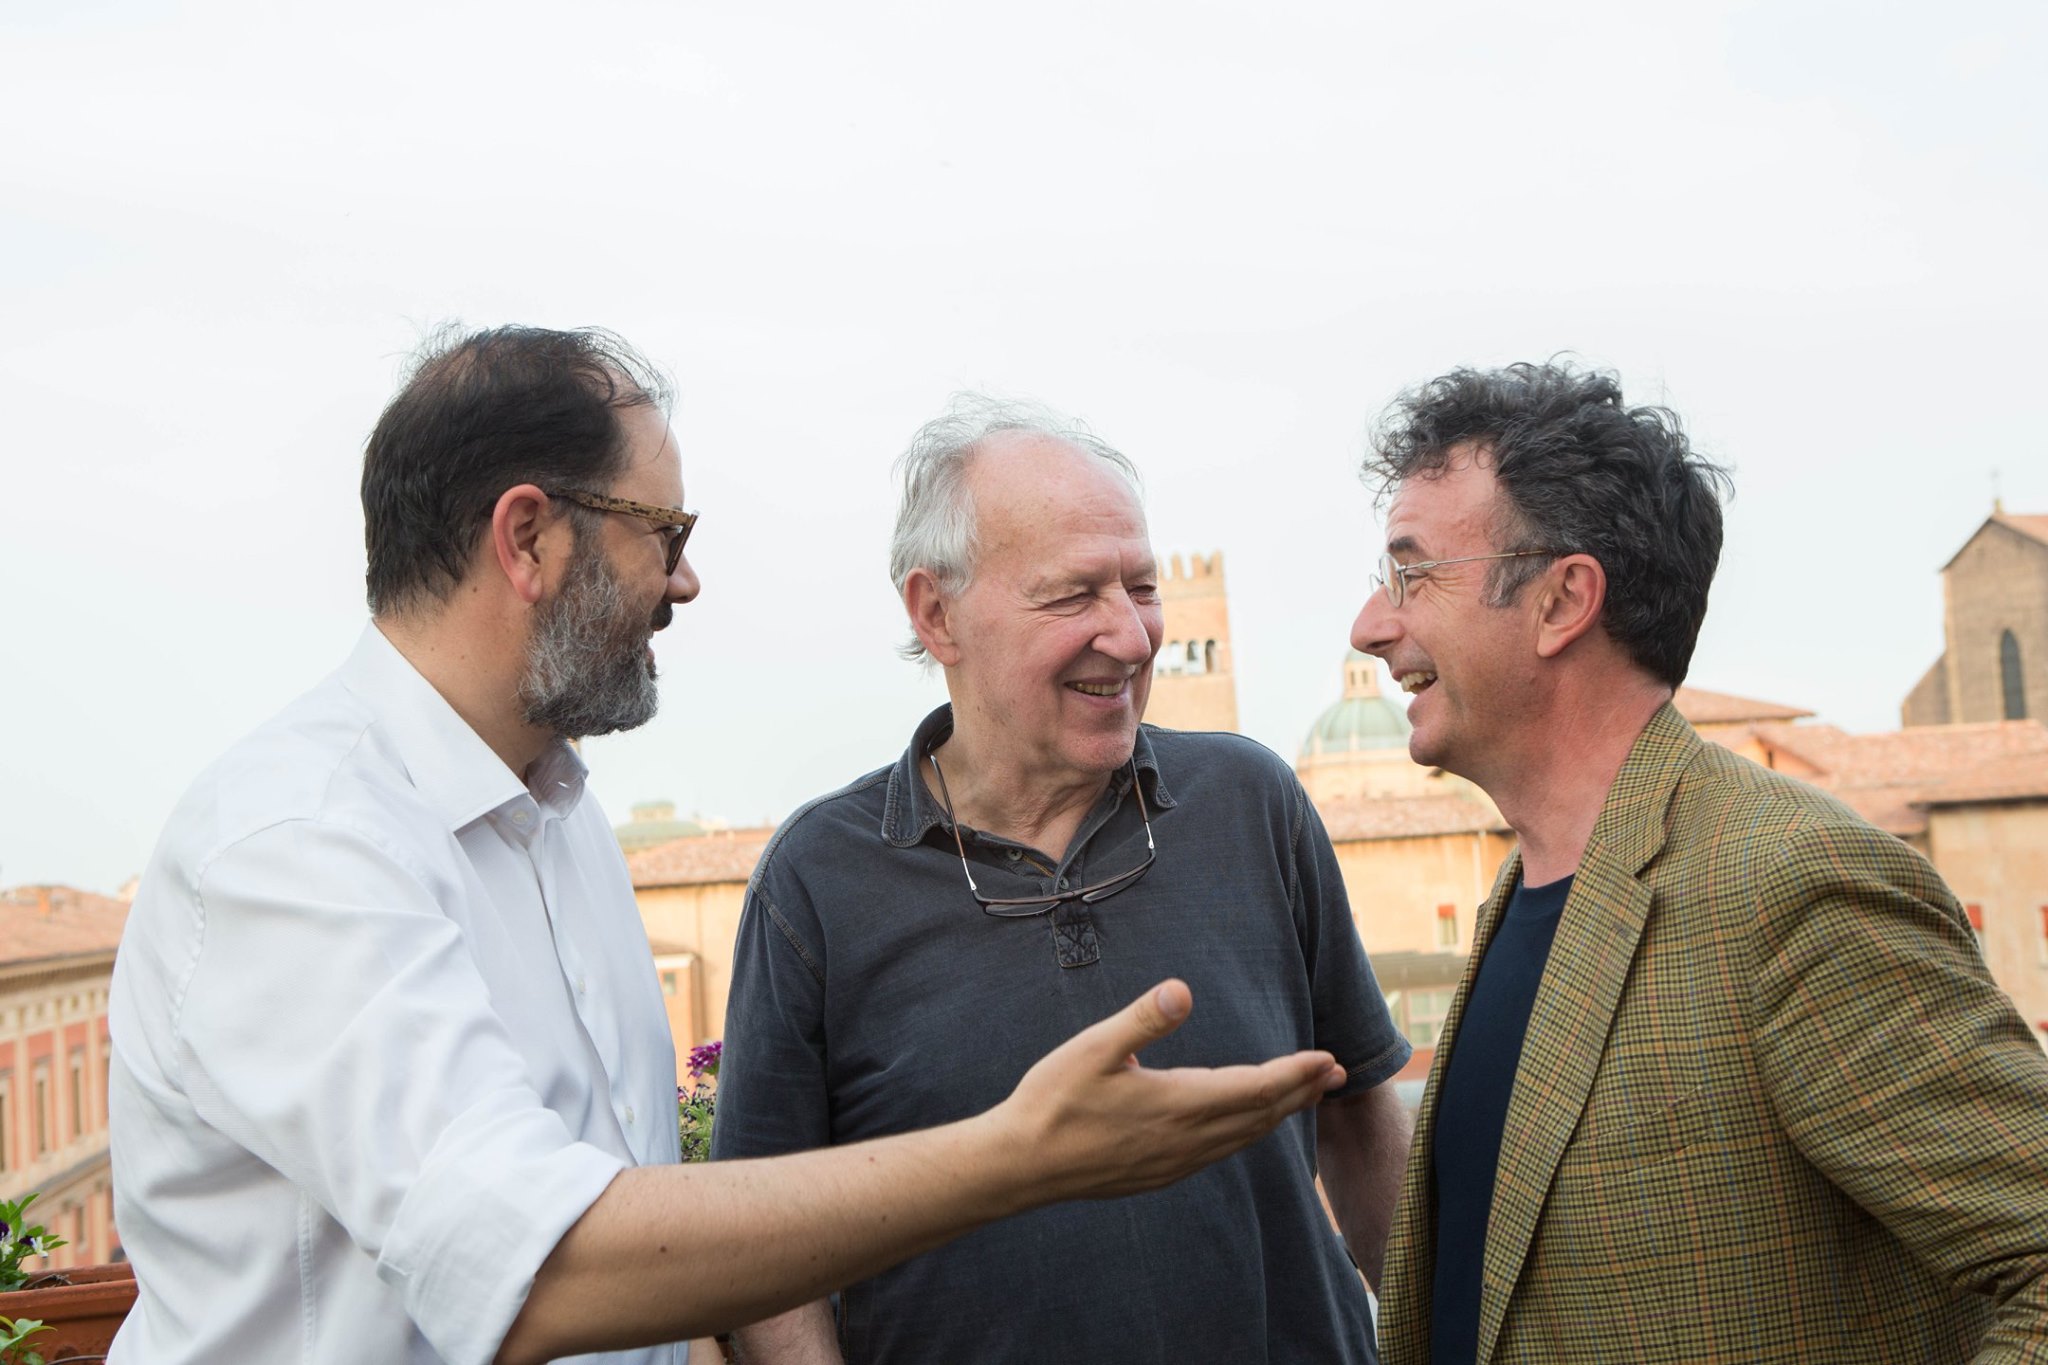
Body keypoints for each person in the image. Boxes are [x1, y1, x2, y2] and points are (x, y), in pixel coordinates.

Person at [105, 328, 1351, 1365]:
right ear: (528, 538)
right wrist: (1020, 1157)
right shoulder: (299, 840)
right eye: (663, 531)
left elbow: (655, 1238)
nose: (687, 582)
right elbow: (534, 1275)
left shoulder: (554, 818)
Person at [1351, 362, 2048, 1364]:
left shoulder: (1791, 887)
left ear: (1561, 601)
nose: (1370, 626)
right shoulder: (1523, 894)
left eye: (1411, 575)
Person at [713, 397, 1415, 1365]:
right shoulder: (816, 882)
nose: (1130, 637)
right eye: (1074, 595)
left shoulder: (1251, 802)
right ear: (935, 613)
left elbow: (1358, 1111)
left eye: (1141, 587)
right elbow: (763, 1239)